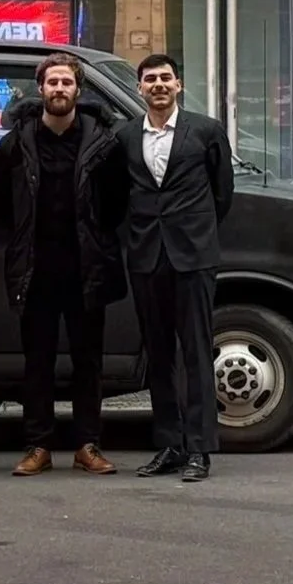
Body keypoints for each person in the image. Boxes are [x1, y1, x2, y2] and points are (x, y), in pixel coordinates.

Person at [0, 52, 124, 477]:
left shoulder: (103, 143)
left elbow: (117, 203)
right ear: (41, 89)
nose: (60, 89)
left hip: (87, 269)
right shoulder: (16, 143)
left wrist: (98, 240)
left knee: (88, 362)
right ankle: (38, 446)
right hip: (36, 271)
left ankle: (88, 445)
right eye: (53, 82)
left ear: (78, 90)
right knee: (37, 362)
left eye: (67, 82)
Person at [113, 52, 233, 482]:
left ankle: (200, 448)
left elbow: (222, 194)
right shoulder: (126, 136)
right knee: (159, 354)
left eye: (166, 78)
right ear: (139, 88)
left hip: (193, 256)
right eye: (150, 79)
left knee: (197, 352)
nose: (159, 85)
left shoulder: (206, 131)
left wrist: (195, 231)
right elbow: (118, 195)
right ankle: (170, 444)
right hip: (147, 257)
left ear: (179, 85)